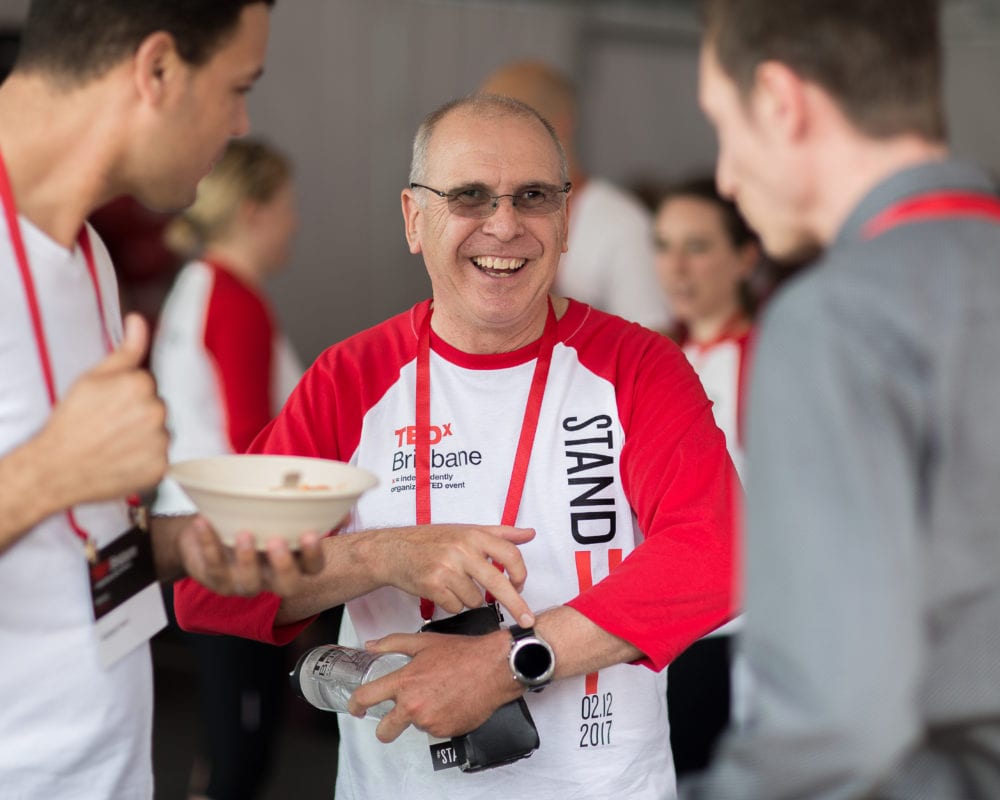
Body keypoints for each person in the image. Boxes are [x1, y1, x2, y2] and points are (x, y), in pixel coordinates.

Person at [175, 93, 738, 799]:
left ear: (564, 222)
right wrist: (378, 555)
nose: (504, 226)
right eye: (469, 197)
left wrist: (506, 663)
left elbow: (714, 554)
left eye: (533, 196)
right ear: (415, 220)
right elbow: (209, 589)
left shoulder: (638, 367)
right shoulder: (351, 380)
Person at [0, 3, 324, 797]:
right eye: (236, 86)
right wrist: (46, 474)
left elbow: (72, 540)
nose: (242, 123)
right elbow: (48, 486)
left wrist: (182, 546)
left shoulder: (90, 258)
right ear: (157, 71)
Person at [683, 1, 1000, 798]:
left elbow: (835, 726)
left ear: (782, 103)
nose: (725, 174)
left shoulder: (836, 322)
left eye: (724, 124)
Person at [152, 138, 304, 800]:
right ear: (253, 211)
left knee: (221, 743)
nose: (295, 222)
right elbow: (252, 441)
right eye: (288, 205)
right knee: (241, 747)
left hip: (193, 524)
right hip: (231, 540)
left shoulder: (196, 283)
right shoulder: (235, 298)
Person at [653, 176, 760, 774]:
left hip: (743, 638)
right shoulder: (653, 355)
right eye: (664, 245)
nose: (675, 267)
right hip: (655, 634)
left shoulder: (771, 358)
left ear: (746, 256)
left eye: (697, 246)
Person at [480, 59, 671, 330]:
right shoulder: (488, 216)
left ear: (559, 125)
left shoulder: (622, 223)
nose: (488, 142)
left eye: (505, 128)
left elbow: (656, 346)